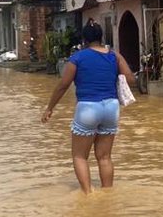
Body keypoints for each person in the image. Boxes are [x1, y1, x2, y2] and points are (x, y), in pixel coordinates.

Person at [41, 21, 135, 193]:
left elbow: (63, 85)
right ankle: (107, 194)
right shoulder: (115, 56)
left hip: (88, 108)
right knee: (105, 157)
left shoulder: (77, 58)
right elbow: (130, 79)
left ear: (84, 39)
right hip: (112, 108)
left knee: (79, 156)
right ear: (101, 37)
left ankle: (88, 195)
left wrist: (50, 108)